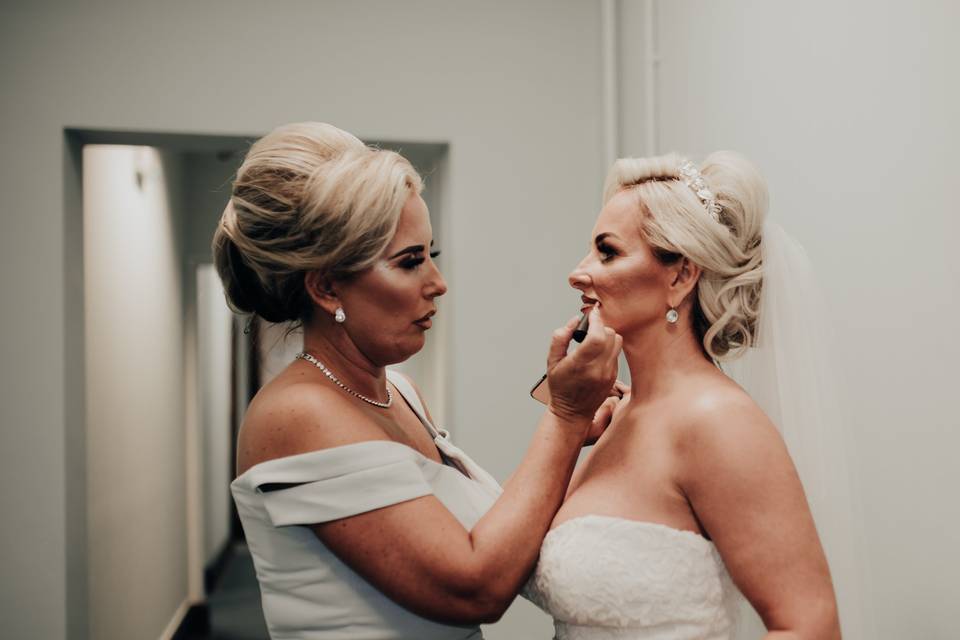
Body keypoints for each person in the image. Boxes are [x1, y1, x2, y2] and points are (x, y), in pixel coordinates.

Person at [213, 122, 623, 640]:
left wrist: (579, 427)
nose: (438, 282)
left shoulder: (399, 391)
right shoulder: (297, 414)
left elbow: (500, 538)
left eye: (433, 255)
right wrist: (564, 418)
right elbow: (472, 586)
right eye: (410, 262)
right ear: (327, 288)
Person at [525, 152, 864, 639]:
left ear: (681, 276)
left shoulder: (718, 422)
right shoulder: (617, 415)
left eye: (608, 252)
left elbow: (810, 625)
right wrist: (568, 418)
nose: (579, 273)